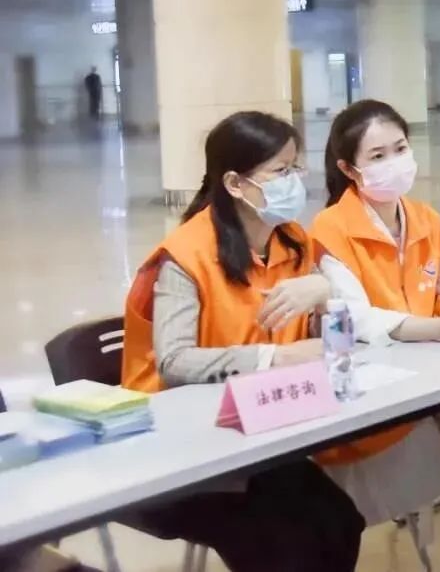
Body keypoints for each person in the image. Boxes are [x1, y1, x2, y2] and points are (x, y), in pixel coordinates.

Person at [120, 111, 362, 572]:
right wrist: (275, 357)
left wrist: (327, 299)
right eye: (281, 171)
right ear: (234, 183)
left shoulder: (293, 242)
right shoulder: (185, 256)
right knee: (286, 546)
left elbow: (337, 344)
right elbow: (174, 361)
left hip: (261, 434)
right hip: (185, 448)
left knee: (341, 521)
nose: (295, 181)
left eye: (296, 167)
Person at [313, 99, 440, 525]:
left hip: (426, 369)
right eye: (377, 156)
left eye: (400, 148)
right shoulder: (330, 228)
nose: (395, 162)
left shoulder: (422, 217)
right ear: (349, 169)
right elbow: (358, 320)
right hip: (374, 379)